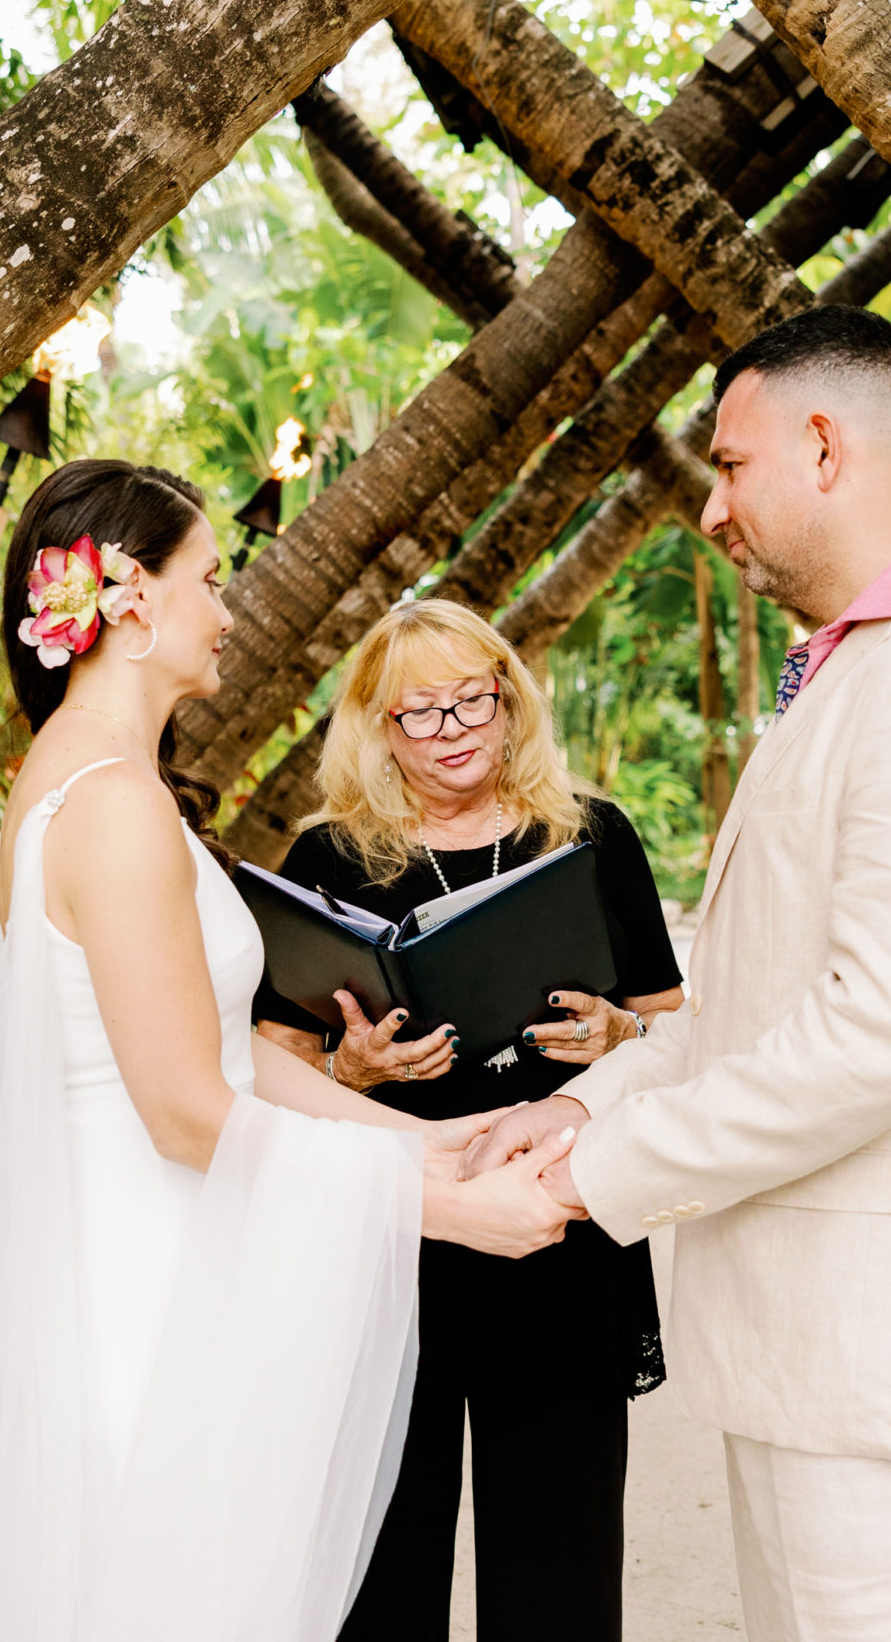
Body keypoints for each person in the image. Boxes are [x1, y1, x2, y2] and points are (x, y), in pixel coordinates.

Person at [468, 306, 891, 1642]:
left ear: (824, 444)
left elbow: (885, 1031)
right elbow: (762, 1006)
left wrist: (591, 1180)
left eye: (730, 464)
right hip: (823, 1362)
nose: (710, 508)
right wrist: (589, 1103)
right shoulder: (868, 670)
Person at [0, 460, 580, 1642]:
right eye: (210, 579)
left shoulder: (93, 781)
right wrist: (443, 1211)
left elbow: (222, 1052)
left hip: (171, 1248)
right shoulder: (113, 805)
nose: (229, 610)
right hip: (149, 1291)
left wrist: (436, 1139)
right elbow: (187, 1114)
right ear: (128, 601)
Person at [253, 598, 683, 1642]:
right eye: (421, 714)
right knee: (382, 1575)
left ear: (508, 697)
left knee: (560, 1570)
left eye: (471, 702)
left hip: (555, 1226)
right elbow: (268, 1059)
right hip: (393, 1238)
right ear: (376, 728)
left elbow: (676, 1029)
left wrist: (616, 1034)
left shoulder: (588, 835)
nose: (454, 733)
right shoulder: (328, 859)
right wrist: (350, 1064)